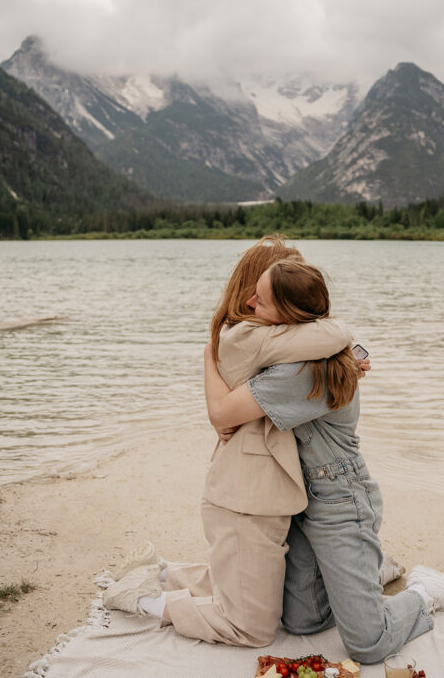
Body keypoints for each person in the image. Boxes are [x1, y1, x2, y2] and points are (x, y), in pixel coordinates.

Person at [203, 259, 444, 664]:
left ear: (289, 318)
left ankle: (425, 592)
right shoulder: (301, 355)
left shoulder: (301, 373)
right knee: (301, 621)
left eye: (260, 301)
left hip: (340, 499)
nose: (248, 303)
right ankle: (370, 574)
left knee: (369, 644)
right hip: (301, 502)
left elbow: (223, 413)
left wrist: (208, 354)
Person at [103, 236, 355, 647]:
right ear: (256, 290)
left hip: (250, 488)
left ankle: (163, 572)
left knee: (252, 578)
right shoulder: (254, 337)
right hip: (245, 495)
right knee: (252, 628)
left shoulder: (244, 334)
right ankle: (143, 599)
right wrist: (345, 338)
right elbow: (329, 335)